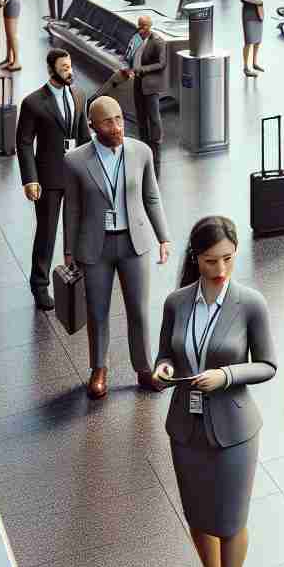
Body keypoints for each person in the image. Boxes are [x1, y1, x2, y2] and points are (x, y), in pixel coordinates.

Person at [151, 215, 274, 567]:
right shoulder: (177, 302)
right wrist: (163, 368)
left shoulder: (251, 303)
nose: (220, 269)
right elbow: (165, 352)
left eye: (227, 259)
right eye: (209, 261)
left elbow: (268, 365)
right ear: (194, 259)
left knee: (230, 520)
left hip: (235, 428)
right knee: (199, 517)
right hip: (186, 424)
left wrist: (225, 375)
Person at [63, 95, 171, 400]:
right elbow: (71, 209)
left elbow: (152, 197)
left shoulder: (141, 152)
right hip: (94, 246)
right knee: (97, 312)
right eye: (108, 121)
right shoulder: (75, 160)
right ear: (93, 126)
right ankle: (99, 369)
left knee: (138, 310)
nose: (117, 126)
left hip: (134, 243)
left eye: (120, 119)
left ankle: (143, 368)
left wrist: (163, 237)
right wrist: (68, 251)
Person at [17, 50, 90, 310]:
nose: (69, 71)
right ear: (51, 70)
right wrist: (30, 179)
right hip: (48, 177)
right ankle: (39, 285)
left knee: (76, 229)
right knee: (47, 231)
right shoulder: (33, 102)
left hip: (75, 174)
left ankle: (76, 279)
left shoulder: (79, 96)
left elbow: (84, 138)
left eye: (70, 66)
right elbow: (24, 143)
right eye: (64, 67)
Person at [115, 15, 166, 158]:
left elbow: (161, 64)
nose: (140, 29)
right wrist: (130, 68)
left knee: (153, 114)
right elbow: (132, 57)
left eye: (143, 26)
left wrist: (143, 69)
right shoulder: (137, 40)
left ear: (150, 26)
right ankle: (143, 139)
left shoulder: (158, 42)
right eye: (139, 26)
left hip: (150, 84)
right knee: (140, 113)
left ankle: (156, 141)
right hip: (138, 82)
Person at [239, 0, 265, 77]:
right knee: (249, 41)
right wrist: (255, 2)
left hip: (258, 13)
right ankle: (246, 67)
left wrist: (259, 1)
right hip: (249, 14)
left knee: (257, 40)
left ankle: (254, 62)